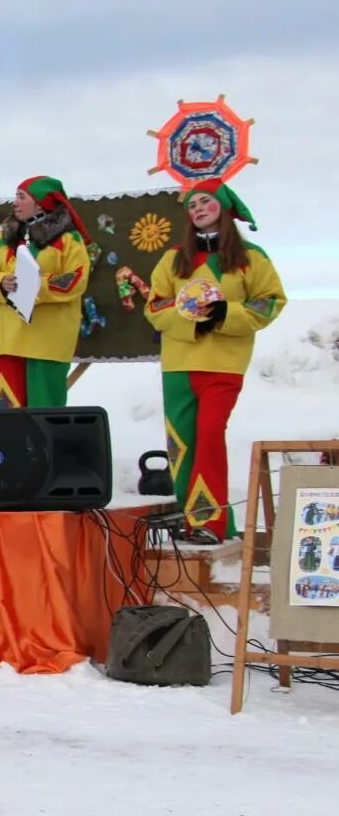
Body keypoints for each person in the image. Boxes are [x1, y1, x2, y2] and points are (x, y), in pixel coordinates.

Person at [144, 180, 285, 544]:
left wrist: (224, 313)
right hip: (179, 363)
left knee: (208, 435)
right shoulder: (173, 258)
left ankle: (211, 523)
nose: (198, 209)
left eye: (205, 202)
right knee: (182, 442)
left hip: (223, 365)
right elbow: (155, 304)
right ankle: (195, 519)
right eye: (192, 206)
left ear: (223, 206)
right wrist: (190, 317)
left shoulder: (251, 258)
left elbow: (269, 302)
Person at [0, 176, 91, 408]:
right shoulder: (4, 238)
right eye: (15, 196)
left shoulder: (68, 239)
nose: (15, 203)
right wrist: (1, 283)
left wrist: (32, 286)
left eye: (22, 197)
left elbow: (76, 278)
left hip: (47, 343)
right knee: (6, 417)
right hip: (7, 340)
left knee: (44, 417)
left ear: (41, 203)